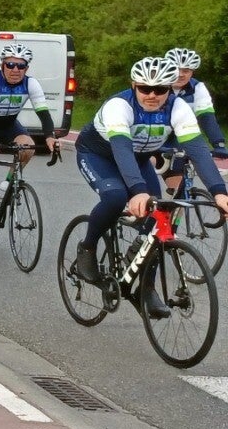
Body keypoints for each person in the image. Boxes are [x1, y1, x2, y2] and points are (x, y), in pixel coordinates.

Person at [74, 56, 228, 318]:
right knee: (115, 196)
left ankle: (146, 288)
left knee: (158, 217)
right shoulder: (119, 106)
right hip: (98, 156)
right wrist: (138, 191)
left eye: (160, 89)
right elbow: (122, 150)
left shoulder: (178, 108)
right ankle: (87, 247)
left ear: (170, 89)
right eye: (145, 88)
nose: (152, 95)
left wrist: (219, 192)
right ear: (134, 85)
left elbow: (198, 151)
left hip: (139, 159)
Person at [0, 43, 57, 250]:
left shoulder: (31, 84)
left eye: (21, 66)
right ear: (2, 65)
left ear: (26, 68)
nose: (15, 70)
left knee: (28, 147)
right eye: (10, 65)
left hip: (7, 124)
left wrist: (50, 137)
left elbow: (43, 113)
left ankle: (6, 184)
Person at [163, 48, 228, 160]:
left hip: (182, 135)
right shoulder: (155, 87)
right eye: (176, 70)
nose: (180, 74)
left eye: (186, 71)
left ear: (192, 73)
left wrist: (219, 144)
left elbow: (206, 117)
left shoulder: (198, 88)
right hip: (155, 136)